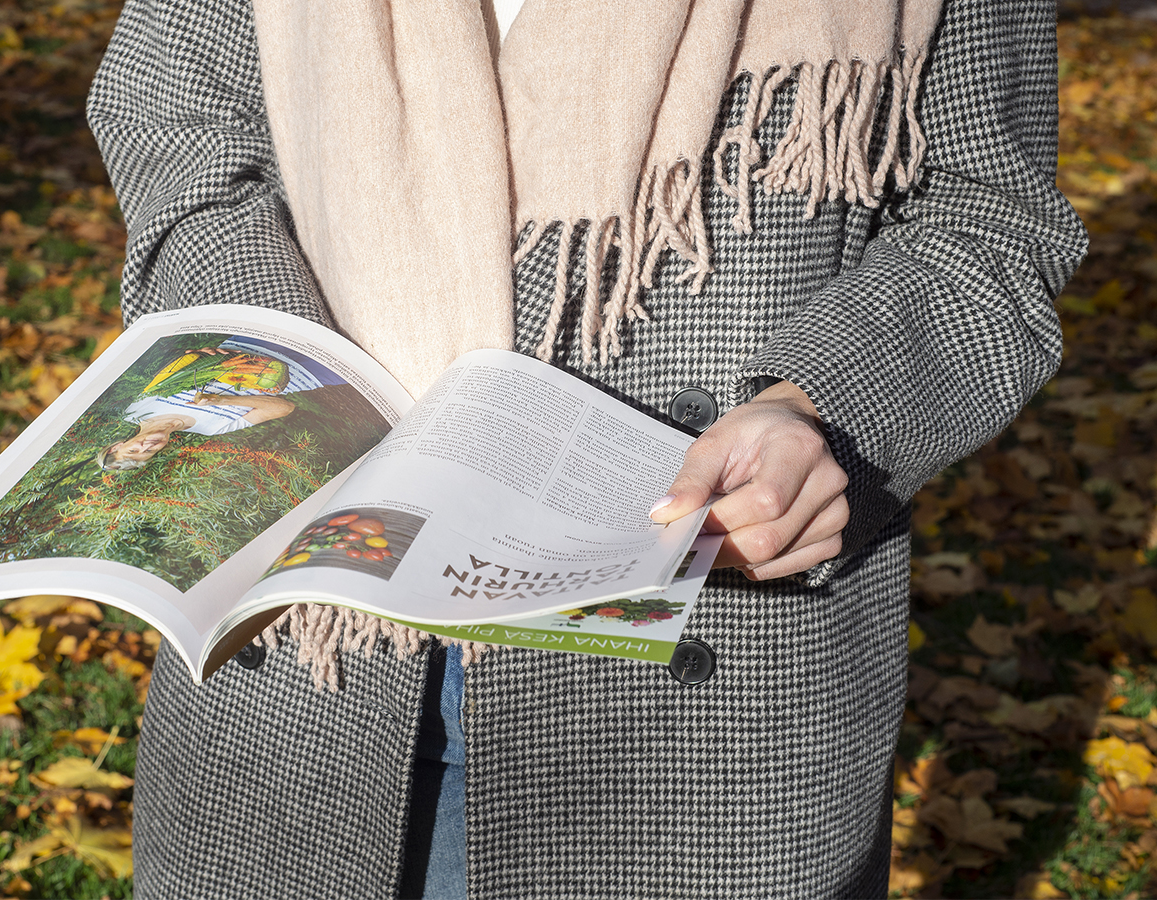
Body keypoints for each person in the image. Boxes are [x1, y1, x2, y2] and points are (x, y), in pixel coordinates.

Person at [86, 0, 1086, 895]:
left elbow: (986, 225)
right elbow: (174, 132)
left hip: (697, 687)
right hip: (307, 665)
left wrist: (818, 404)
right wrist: (293, 374)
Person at [97, 339, 326, 470]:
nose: (148, 446)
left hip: (251, 342)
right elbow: (284, 408)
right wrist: (224, 400)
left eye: (135, 449)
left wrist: (202, 354)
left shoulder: (137, 406)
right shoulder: (210, 429)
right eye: (147, 454)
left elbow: (182, 362)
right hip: (305, 373)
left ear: (118, 445)